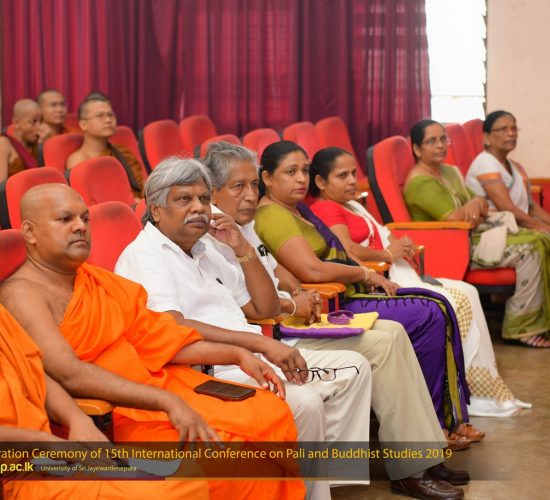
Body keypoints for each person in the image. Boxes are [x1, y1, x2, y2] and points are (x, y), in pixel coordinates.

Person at [200, 141, 472, 499]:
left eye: (253, 185)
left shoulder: (245, 224)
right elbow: (250, 307)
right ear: (213, 191)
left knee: (393, 333)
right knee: (382, 344)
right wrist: (293, 303)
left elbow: (279, 273)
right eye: (239, 186)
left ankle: (426, 454)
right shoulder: (214, 234)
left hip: (289, 319)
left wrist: (298, 294)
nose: (251, 195)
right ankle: (411, 469)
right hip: (272, 333)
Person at [0, 183, 306, 500]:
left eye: (84, 218)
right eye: (65, 219)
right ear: (30, 232)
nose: (80, 227)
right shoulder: (23, 293)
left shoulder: (98, 282)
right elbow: (68, 374)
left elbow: (161, 337)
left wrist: (238, 353)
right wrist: (167, 403)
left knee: (267, 413)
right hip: (119, 413)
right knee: (226, 454)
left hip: (157, 387)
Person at [115, 156, 373, 500]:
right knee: (305, 402)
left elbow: (265, 308)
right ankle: (311, 491)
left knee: (355, 367)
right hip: (207, 369)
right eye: (184, 199)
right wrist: (259, 346)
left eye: (203, 199)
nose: (198, 208)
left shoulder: (205, 249)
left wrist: (241, 246)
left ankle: (324, 483)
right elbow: (171, 326)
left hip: (251, 353)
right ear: (156, 210)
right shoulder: (145, 255)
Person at [253, 140, 482, 443]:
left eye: (304, 170)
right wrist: (365, 273)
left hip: (345, 292)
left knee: (436, 307)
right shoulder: (272, 215)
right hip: (333, 302)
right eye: (290, 172)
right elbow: (312, 271)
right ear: (267, 177)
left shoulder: (296, 208)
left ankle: (444, 418)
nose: (301, 179)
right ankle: (437, 422)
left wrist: (366, 273)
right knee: (430, 311)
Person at [308, 146, 529, 417]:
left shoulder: (351, 204)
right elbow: (347, 251)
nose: (353, 180)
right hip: (378, 280)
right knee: (453, 300)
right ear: (321, 182)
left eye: (354, 173)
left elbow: (382, 235)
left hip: (392, 269)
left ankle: (478, 386)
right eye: (342, 176)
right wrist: (387, 254)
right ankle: (459, 393)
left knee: (468, 291)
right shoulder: (327, 208)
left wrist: (400, 244)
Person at [0, 303, 208, 500]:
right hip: (15, 473)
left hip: (49, 458)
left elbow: (35, 373)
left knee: (187, 474)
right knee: (163, 492)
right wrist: (45, 442)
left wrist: (77, 419)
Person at [404, 119, 550, 348]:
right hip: (450, 248)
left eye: (443, 139)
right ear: (416, 149)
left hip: (472, 235)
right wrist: (473, 209)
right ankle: (522, 329)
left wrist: (473, 208)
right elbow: (457, 221)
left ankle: (540, 322)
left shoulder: (449, 171)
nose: (440, 145)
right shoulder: (420, 182)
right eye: (431, 141)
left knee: (540, 237)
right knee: (531, 247)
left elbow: (479, 202)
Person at [466, 110, 550, 232]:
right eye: (502, 129)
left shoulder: (516, 166)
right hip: (494, 231)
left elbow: (530, 207)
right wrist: (542, 228)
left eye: (514, 129)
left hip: (519, 226)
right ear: (486, 137)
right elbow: (507, 209)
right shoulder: (485, 163)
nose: (511, 133)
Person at [66, 92, 144, 198]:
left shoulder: (121, 151)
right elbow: (89, 199)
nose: (108, 120)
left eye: (110, 115)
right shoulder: (78, 160)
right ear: (83, 124)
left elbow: (141, 183)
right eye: (100, 116)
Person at [0, 99, 41, 181]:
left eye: (41, 121)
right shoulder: (3, 144)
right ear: (16, 123)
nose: (39, 127)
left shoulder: (37, 144)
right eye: (33, 122)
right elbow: (1, 184)